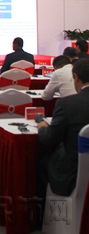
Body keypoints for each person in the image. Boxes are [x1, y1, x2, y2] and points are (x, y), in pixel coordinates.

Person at [37, 59, 89, 203]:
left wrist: (42, 127)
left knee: (41, 161)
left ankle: (42, 212)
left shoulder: (67, 104)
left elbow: (49, 139)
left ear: (76, 78)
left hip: (72, 173)